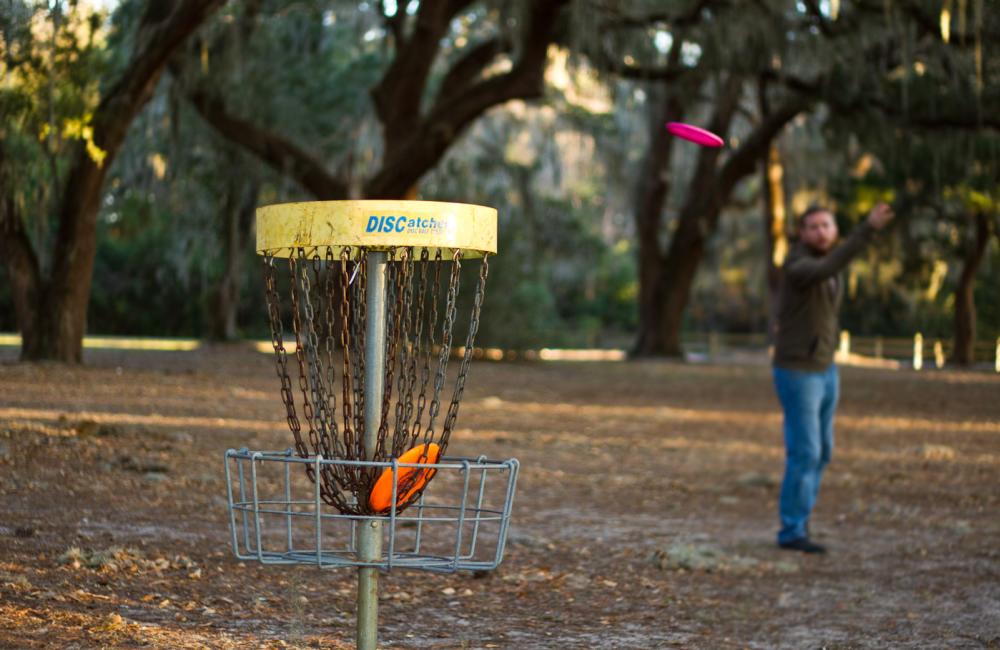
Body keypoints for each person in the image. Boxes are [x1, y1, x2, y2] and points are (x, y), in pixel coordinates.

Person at [772, 202, 895, 553]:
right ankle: (792, 530)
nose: (821, 232)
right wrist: (867, 228)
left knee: (823, 451)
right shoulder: (798, 265)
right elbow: (830, 264)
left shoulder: (825, 265)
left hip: (825, 369)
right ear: (802, 232)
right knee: (805, 451)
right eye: (813, 227)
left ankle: (800, 519)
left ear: (834, 228)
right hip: (797, 371)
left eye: (827, 225)